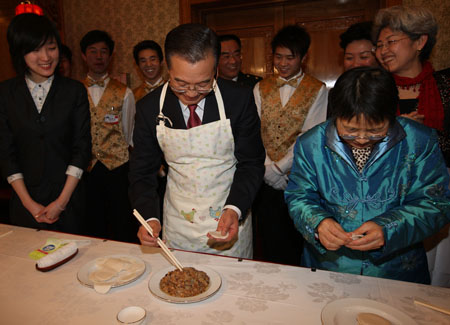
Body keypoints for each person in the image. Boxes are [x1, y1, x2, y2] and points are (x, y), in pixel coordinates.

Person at [285, 66, 450, 284]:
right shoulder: (311, 144)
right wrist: (318, 223)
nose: (362, 138)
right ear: (336, 115)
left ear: (392, 115)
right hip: (330, 266)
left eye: (375, 131)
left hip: (396, 270)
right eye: (350, 130)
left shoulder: (419, 140)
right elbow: (299, 195)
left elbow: (436, 204)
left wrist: (389, 229)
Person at [129, 23, 265, 258]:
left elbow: (251, 163)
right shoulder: (149, 108)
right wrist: (149, 217)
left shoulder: (239, 100)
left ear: (215, 70)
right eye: (180, 83)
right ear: (167, 69)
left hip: (229, 215)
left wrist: (235, 208)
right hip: (178, 222)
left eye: (203, 83)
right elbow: (142, 171)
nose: (191, 93)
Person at [373, 5, 450, 287]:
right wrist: (395, 130)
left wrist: (420, 135)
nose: (383, 50)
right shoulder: (376, 89)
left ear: (420, 42)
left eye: (391, 41)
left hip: (441, 193)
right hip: (387, 194)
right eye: (379, 44)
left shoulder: (446, 84)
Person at [0, 13, 91, 233]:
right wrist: (29, 204)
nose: (45, 57)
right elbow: (5, 153)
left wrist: (61, 202)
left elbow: (82, 149)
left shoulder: (74, 91)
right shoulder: (5, 93)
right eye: (35, 49)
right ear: (20, 52)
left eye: (51, 47)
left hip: (69, 202)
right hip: (25, 204)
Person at [252, 25, 328, 265]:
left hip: (296, 177)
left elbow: (311, 135)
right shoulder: (259, 87)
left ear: (303, 58)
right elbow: (255, 129)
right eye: (278, 57)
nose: (283, 63)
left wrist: (279, 168)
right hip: (263, 176)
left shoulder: (318, 89)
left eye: (290, 57)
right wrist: (266, 168)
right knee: (267, 238)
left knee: (295, 239)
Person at [80, 30, 138, 242]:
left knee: (122, 222)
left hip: (117, 168)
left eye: (103, 52)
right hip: (86, 168)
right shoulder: (74, 91)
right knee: (92, 223)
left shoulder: (125, 92)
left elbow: (128, 132)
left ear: (110, 56)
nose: (98, 57)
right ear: (84, 56)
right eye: (93, 52)